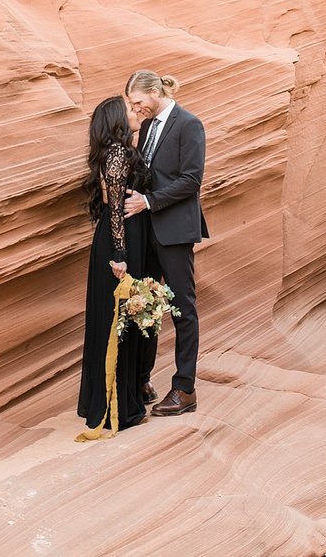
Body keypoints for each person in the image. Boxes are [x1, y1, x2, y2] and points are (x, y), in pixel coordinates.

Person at [124, 70, 207, 416]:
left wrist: (148, 201)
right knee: (146, 306)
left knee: (182, 310)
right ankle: (142, 380)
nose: (136, 108)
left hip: (174, 230)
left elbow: (191, 179)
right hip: (146, 230)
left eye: (138, 102)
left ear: (156, 92)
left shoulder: (189, 124)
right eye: (132, 104)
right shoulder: (146, 127)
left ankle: (184, 389)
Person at [77, 95, 151, 432]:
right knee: (118, 322)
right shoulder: (119, 152)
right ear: (117, 120)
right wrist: (120, 255)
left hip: (116, 238)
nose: (135, 110)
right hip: (119, 242)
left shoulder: (117, 151)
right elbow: (118, 208)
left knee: (116, 319)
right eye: (128, 108)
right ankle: (119, 407)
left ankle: (110, 400)